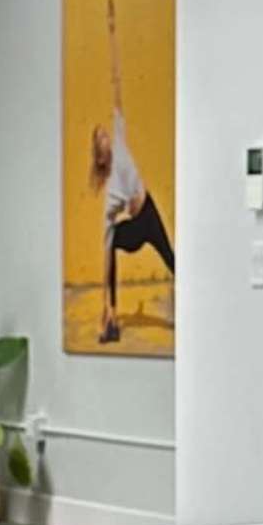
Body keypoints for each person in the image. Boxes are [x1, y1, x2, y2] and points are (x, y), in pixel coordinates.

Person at [91, 24, 175, 341]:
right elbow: (104, 250)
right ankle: (110, 317)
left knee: (170, 257)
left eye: (105, 137)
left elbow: (116, 84)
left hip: (148, 212)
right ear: (98, 155)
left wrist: (113, 32)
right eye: (100, 141)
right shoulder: (110, 194)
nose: (106, 141)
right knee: (111, 242)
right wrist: (103, 301)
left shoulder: (120, 138)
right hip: (133, 227)